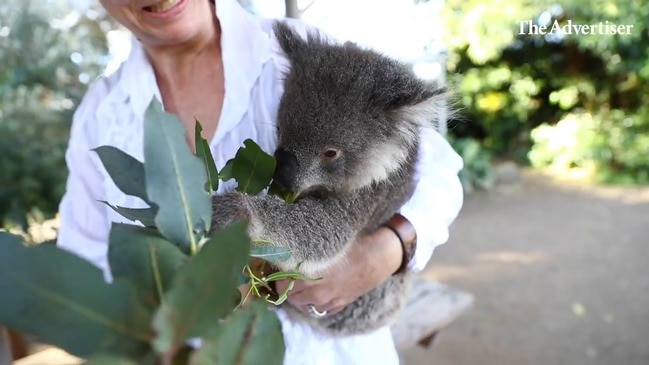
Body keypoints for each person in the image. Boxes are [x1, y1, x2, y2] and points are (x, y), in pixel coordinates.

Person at [56, 0, 464, 363]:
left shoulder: (305, 53)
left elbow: (439, 173)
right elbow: (84, 259)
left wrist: (391, 248)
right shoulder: (100, 116)